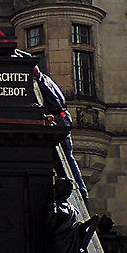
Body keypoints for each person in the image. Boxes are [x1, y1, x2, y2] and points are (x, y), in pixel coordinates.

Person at [27, 59, 89, 200]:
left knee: (65, 157)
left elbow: (57, 105)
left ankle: (79, 190)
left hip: (60, 119)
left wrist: (52, 118)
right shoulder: (47, 80)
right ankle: (79, 188)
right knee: (67, 157)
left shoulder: (42, 82)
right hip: (63, 118)